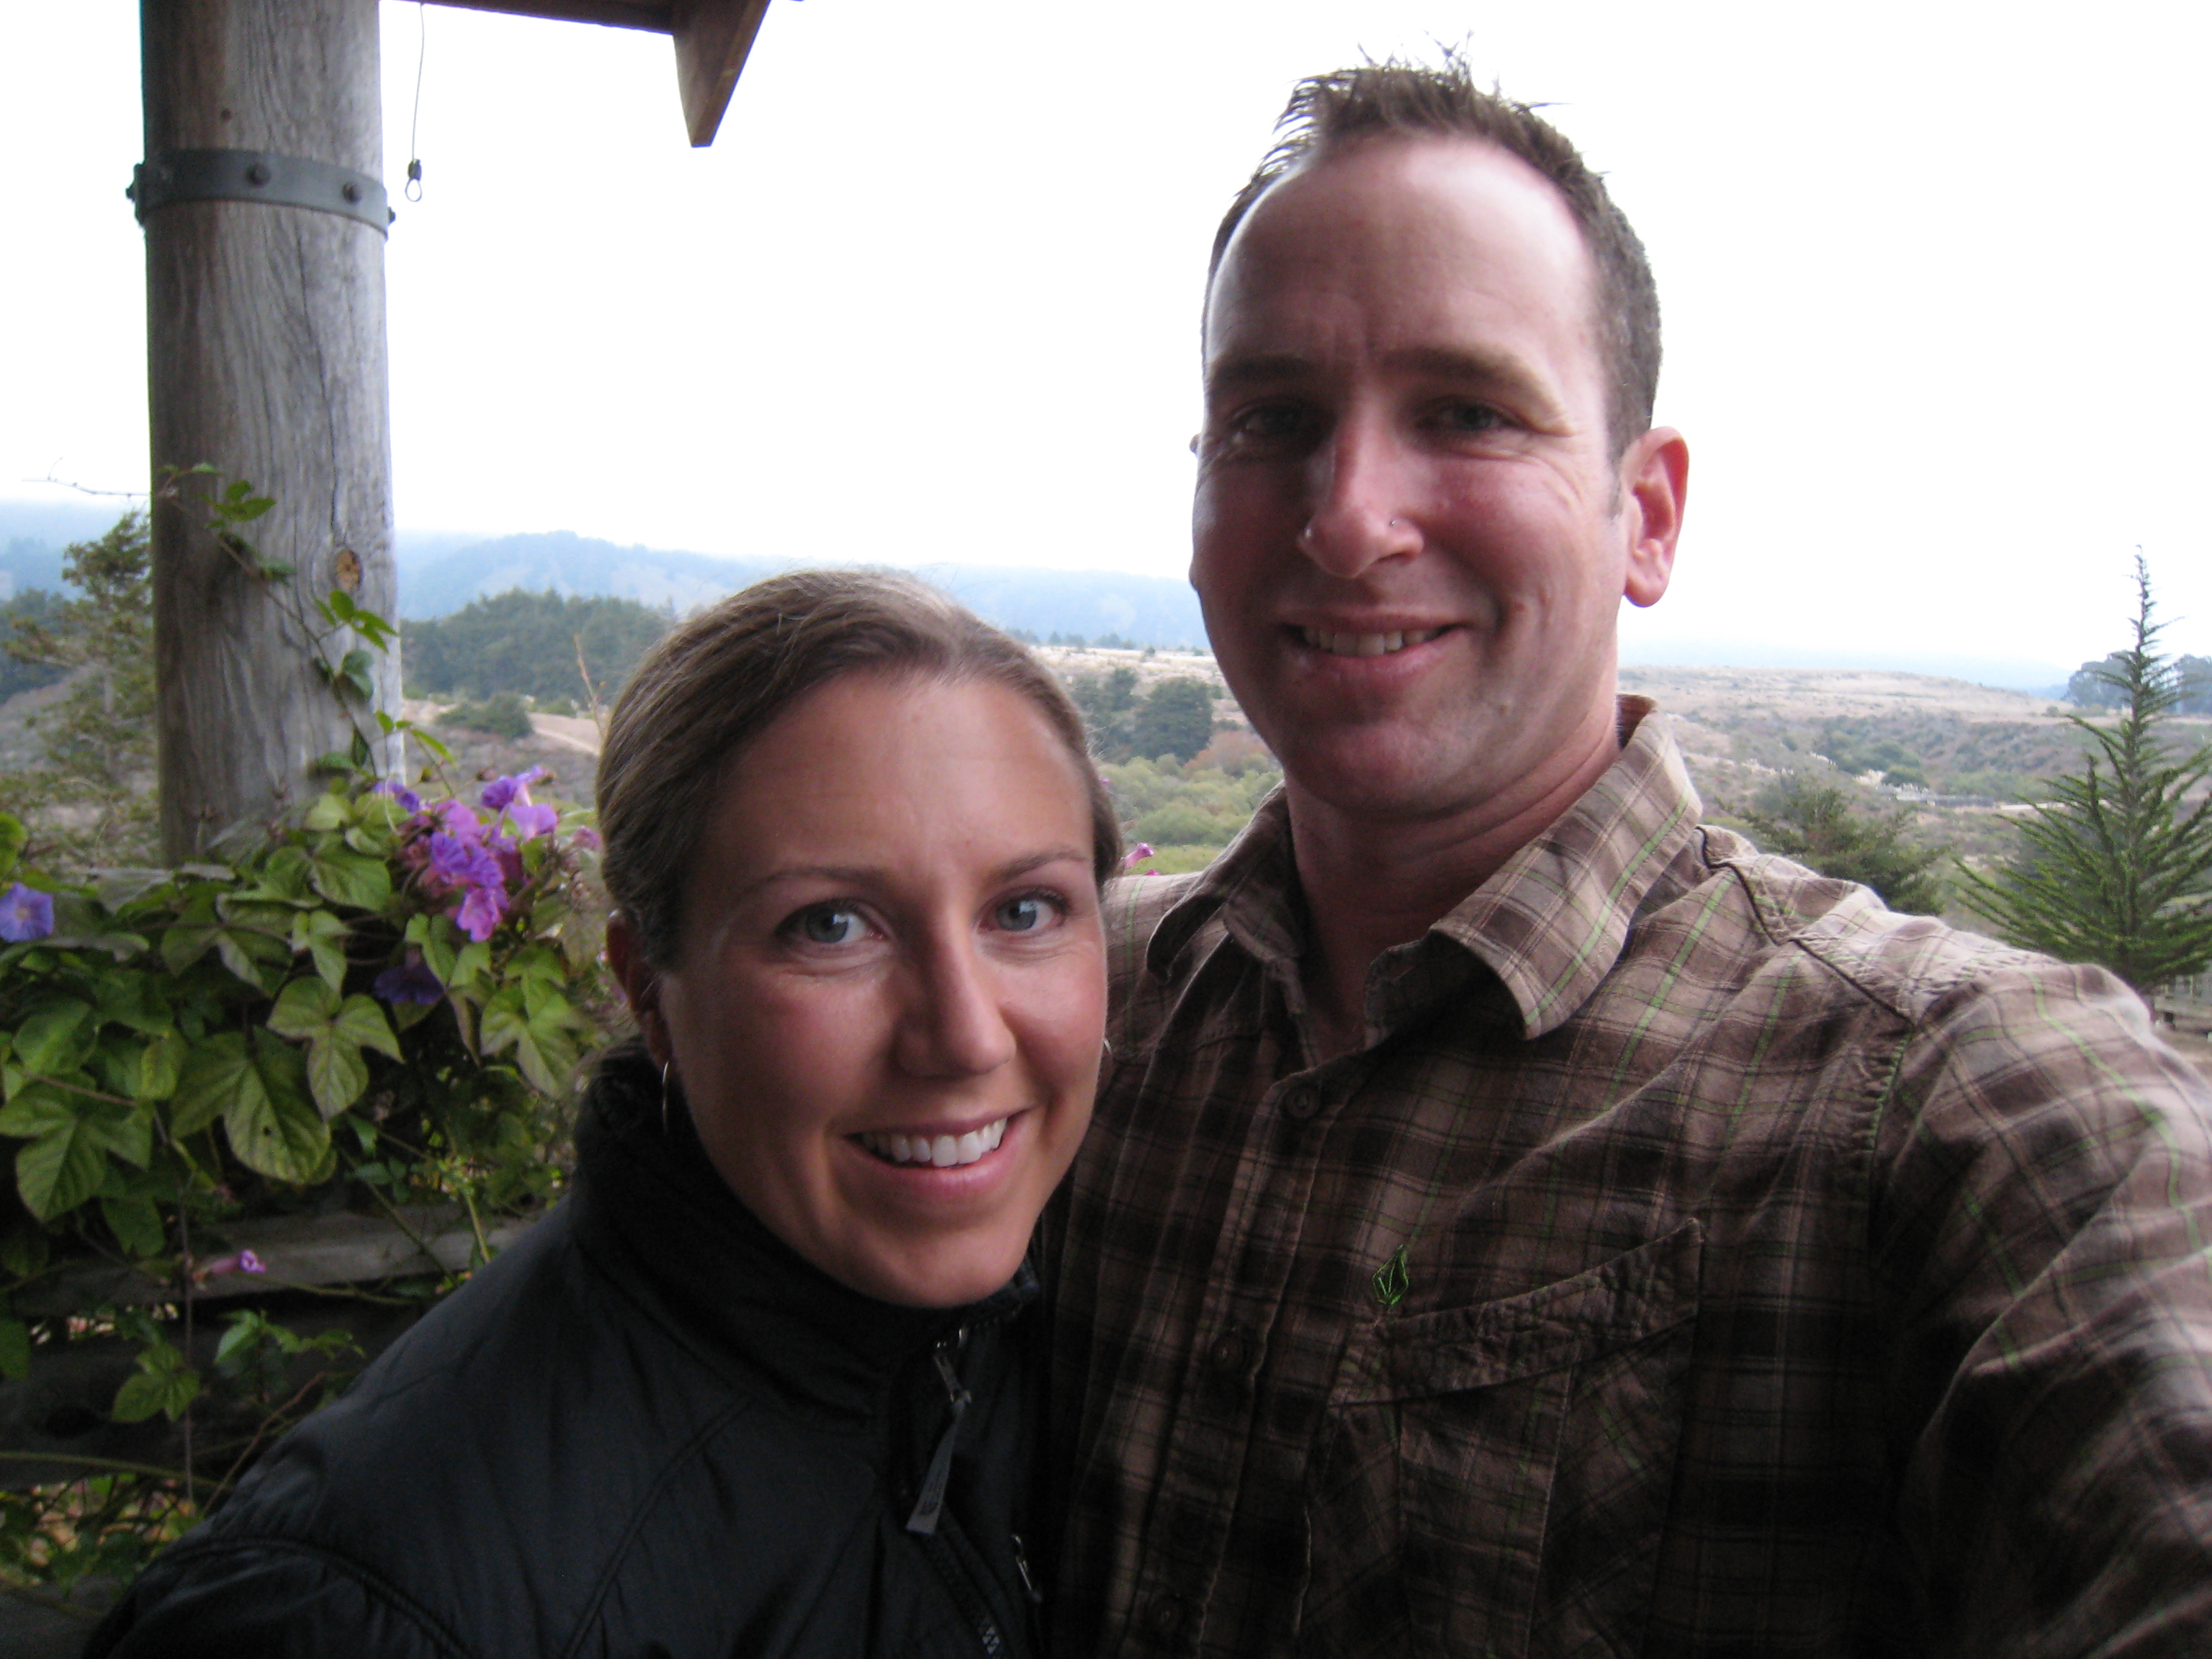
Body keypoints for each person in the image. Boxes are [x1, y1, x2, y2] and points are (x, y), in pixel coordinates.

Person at [1042, 58, 2212, 1657]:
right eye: (1272, 421)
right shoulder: (1057, 1014)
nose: (1350, 517)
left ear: (1646, 515)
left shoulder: (1944, 1103)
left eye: (1466, 411)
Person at [89, 570, 1121, 1658]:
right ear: (647, 991)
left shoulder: (983, 1355)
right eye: (829, 925)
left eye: (1025, 910)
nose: (966, 1038)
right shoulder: (356, 1613)